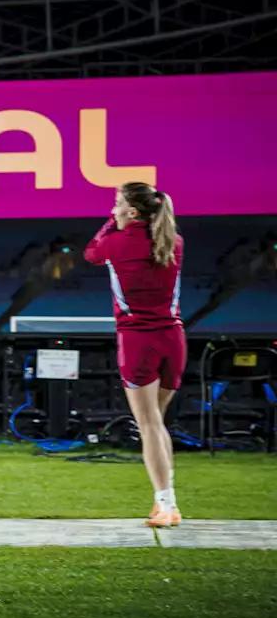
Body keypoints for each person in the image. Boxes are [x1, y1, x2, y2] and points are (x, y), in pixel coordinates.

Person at [83, 181, 185, 528]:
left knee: (149, 425)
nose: (112, 210)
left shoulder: (114, 242)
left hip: (138, 341)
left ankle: (167, 504)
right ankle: (166, 501)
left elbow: (91, 253)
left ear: (132, 211)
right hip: (174, 339)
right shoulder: (173, 243)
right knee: (156, 424)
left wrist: (112, 223)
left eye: (117, 204)